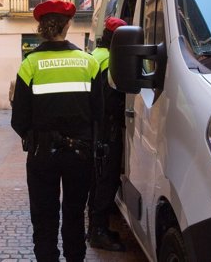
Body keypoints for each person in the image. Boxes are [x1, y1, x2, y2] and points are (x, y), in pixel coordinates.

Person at [11, 0, 103, 262]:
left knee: (44, 216)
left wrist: (34, 136)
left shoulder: (30, 64)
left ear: (41, 27)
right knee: (74, 214)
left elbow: (18, 119)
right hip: (80, 153)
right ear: (69, 24)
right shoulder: (88, 63)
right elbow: (98, 113)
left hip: (42, 154)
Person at [87, 16, 127, 251]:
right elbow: (110, 101)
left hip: (94, 129)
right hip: (107, 129)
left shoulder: (94, 57)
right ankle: (98, 231)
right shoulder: (111, 60)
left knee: (97, 180)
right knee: (106, 180)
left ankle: (96, 227)